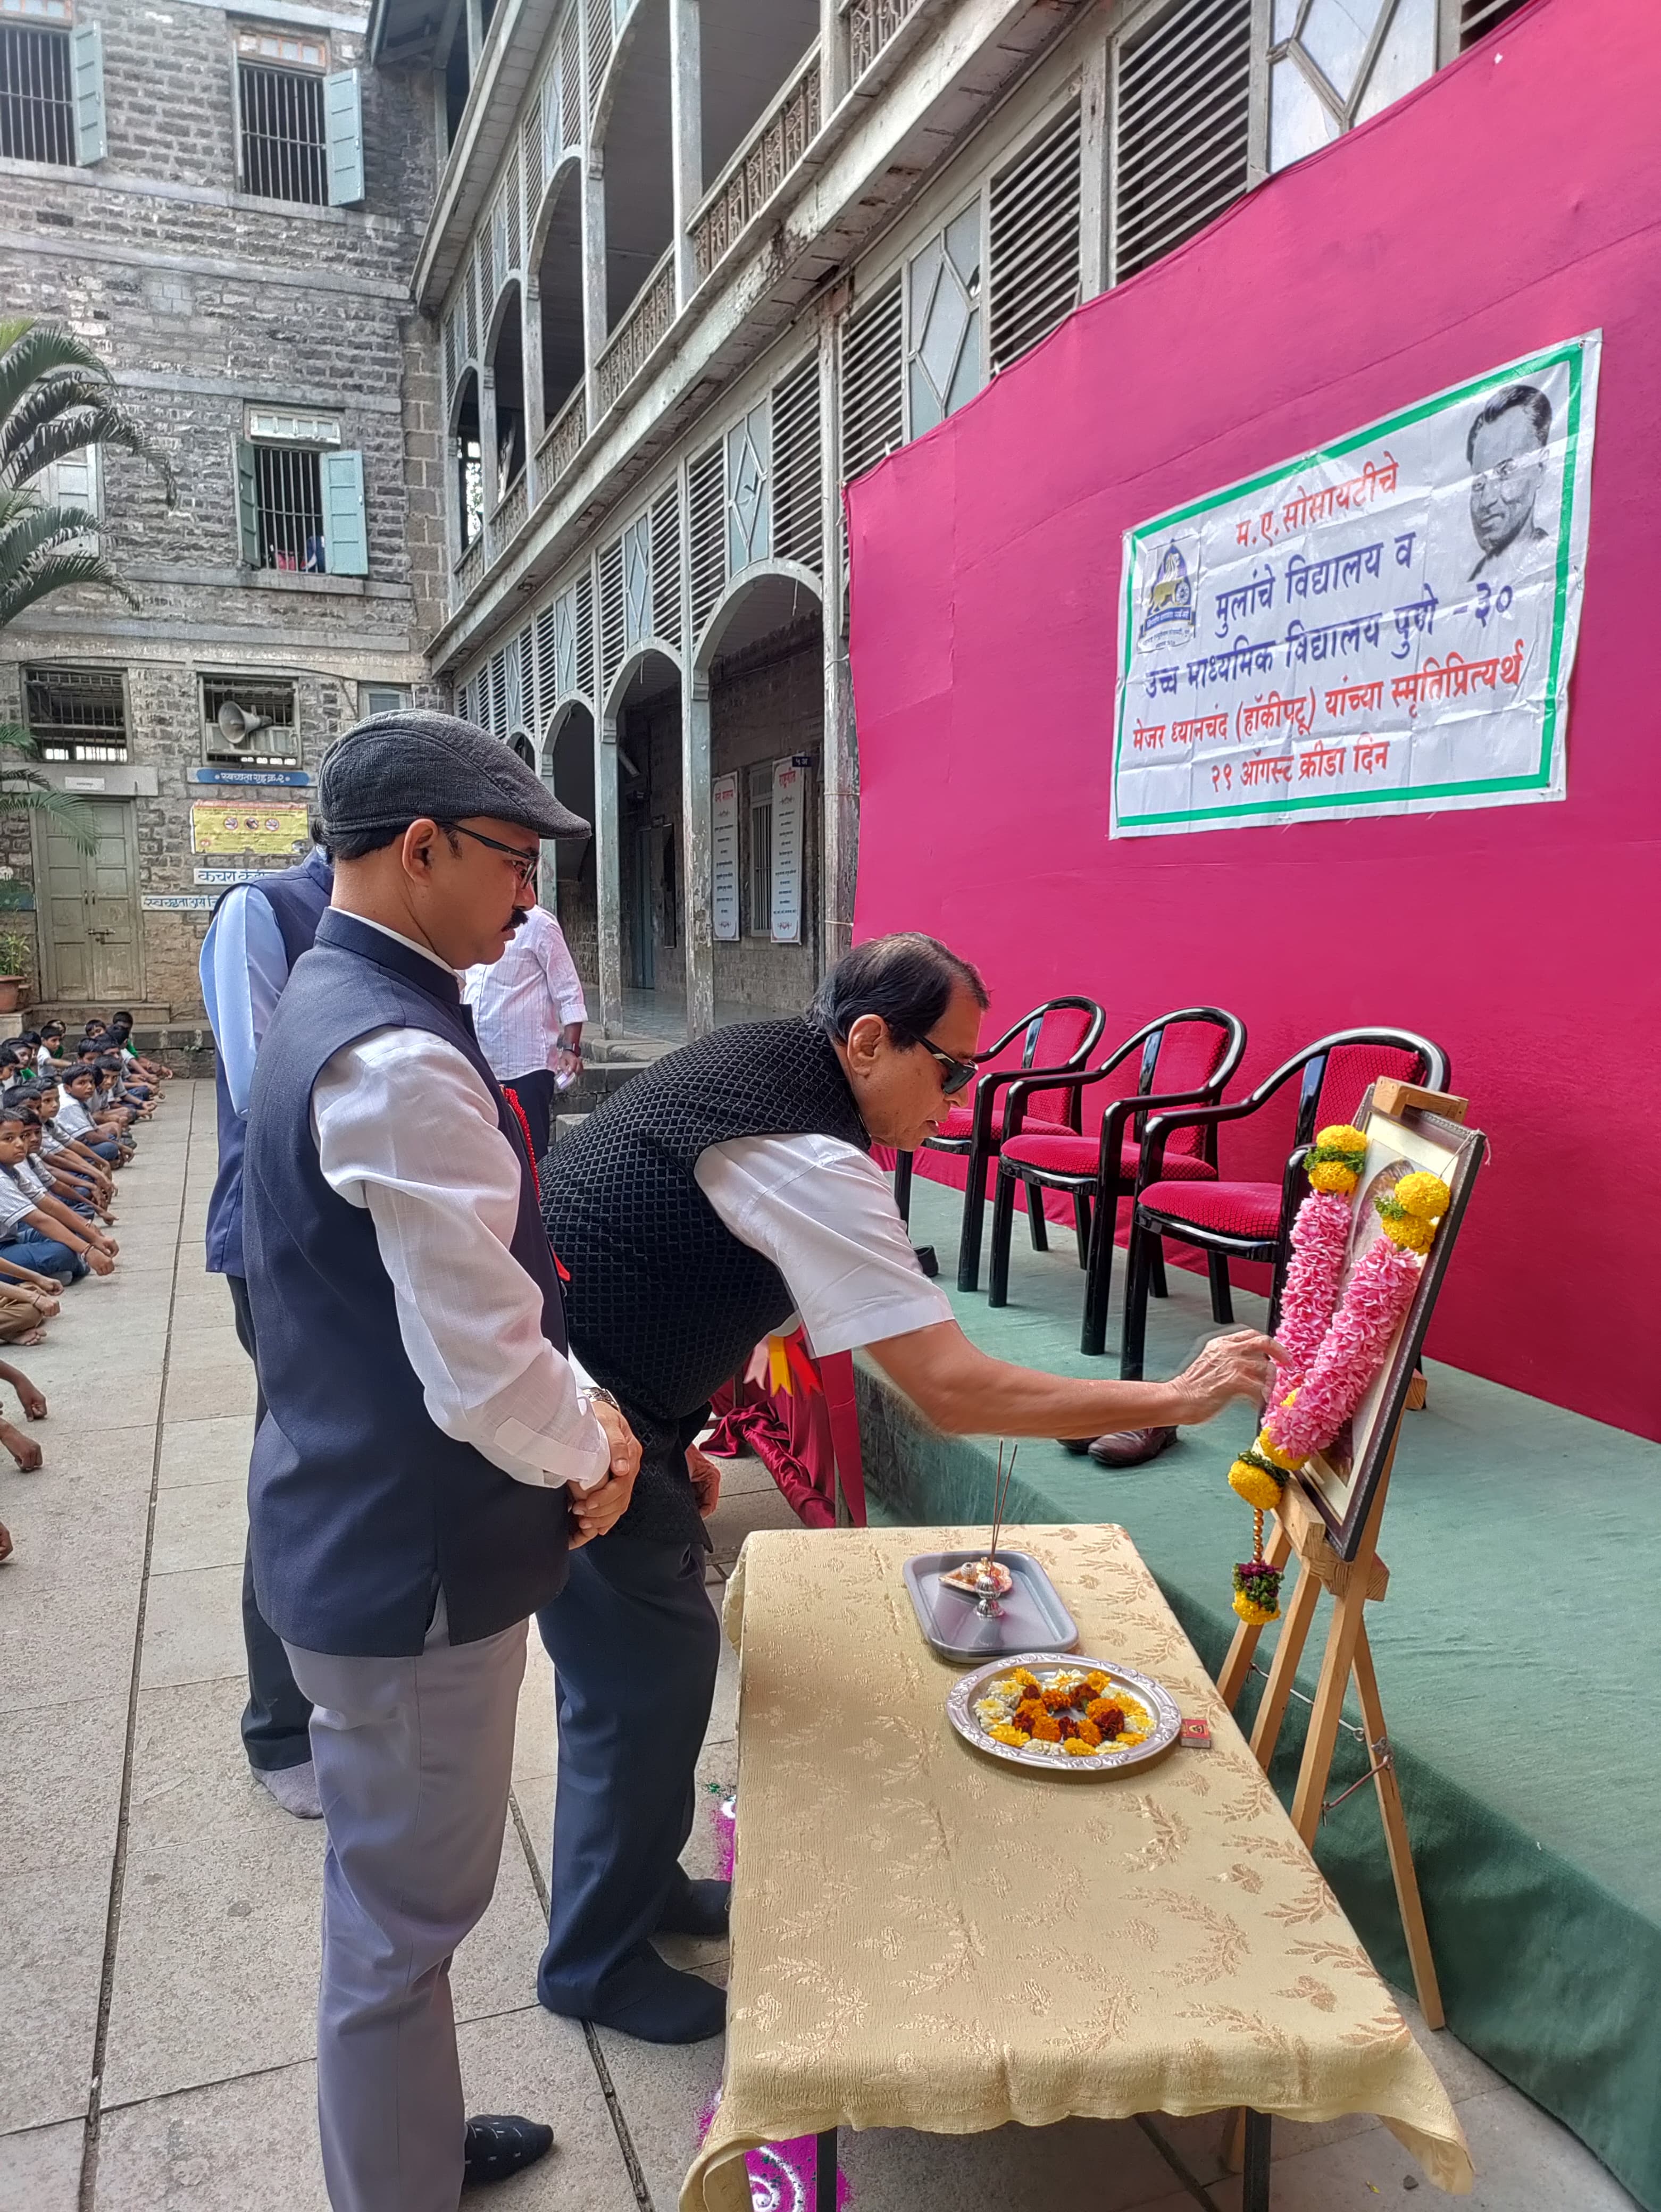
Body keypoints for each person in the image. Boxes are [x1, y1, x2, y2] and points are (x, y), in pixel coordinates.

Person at [536, 932, 1280, 2045]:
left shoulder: (770, 1069)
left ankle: (639, 1889)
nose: (961, 1098)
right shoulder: (806, 1149)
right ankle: (592, 1961)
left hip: (605, 1389)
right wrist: (1170, 1398)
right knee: (640, 1684)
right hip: (575, 1410)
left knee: (645, 1676)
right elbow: (950, 1390)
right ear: (869, 1040)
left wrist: (675, 1423)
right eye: (952, 1069)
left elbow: (672, 1254)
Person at [241, 710, 641, 2212]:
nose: (528, 900)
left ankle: (406, 2139)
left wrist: (578, 1406)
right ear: (420, 849)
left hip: (352, 1526)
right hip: (408, 1570)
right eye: (513, 861)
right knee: (400, 1928)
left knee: (396, 1912)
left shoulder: (341, 994)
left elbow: (457, 1290)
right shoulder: (400, 1053)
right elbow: (482, 1374)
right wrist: (594, 1451)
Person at [199, 835, 335, 1819]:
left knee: (349, 1466)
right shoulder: (264, 909)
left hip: (361, 1239)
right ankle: (280, 1724)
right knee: (295, 1465)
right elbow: (267, 1089)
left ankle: (344, 1689)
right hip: (284, 1240)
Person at [461, 896, 587, 1168]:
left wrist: (570, 1049)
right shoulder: (476, 922)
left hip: (527, 1065)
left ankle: (539, 1196)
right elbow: (463, 984)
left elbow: (568, 990)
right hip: (481, 1061)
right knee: (488, 1154)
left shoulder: (540, 924)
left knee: (530, 1154)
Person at [1466, 383, 1551, 586]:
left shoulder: (1555, 564)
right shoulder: (1465, 587)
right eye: (1479, 483)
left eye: (1505, 472)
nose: (1487, 501)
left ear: (1540, 468)